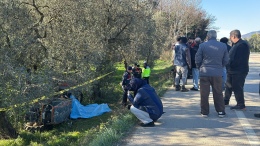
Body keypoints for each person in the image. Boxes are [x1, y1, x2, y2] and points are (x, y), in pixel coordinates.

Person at [195, 30, 229, 118]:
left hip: (204, 72)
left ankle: (204, 112)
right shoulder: (223, 46)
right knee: (218, 92)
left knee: (204, 93)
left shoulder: (202, 45)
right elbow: (226, 59)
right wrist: (220, 66)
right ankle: (221, 111)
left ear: (208, 36)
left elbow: (198, 58)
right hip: (217, 72)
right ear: (216, 36)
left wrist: (200, 67)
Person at [224, 30, 250, 110]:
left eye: (230, 37)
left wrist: (230, 64)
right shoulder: (236, 44)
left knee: (237, 87)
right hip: (232, 70)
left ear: (234, 36)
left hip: (239, 70)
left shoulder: (242, 45)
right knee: (228, 86)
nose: (230, 39)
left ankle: (241, 104)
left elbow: (238, 60)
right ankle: (225, 100)